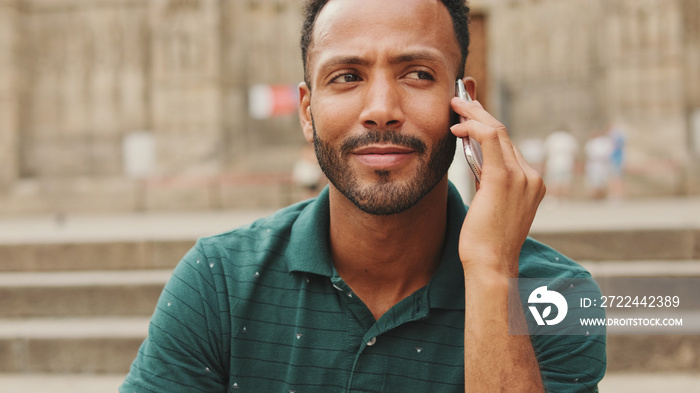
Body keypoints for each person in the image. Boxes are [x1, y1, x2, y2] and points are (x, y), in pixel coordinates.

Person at [120, 1, 606, 392]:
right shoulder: (218, 280)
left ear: (465, 102)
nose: (380, 111)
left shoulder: (556, 295)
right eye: (347, 76)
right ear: (307, 111)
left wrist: (493, 270)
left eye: (417, 73)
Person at [544, 129, 579, 200]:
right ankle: (563, 197)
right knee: (564, 180)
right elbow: (575, 151)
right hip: (565, 161)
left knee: (554, 180)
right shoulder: (569, 138)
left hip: (555, 161)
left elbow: (546, 150)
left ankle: (554, 196)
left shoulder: (552, 137)